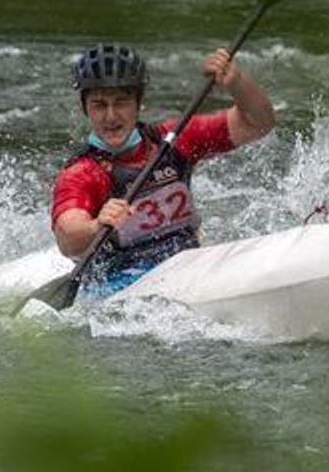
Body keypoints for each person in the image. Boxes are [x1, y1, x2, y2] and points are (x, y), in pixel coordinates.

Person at [50, 42, 277, 288]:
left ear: (138, 103)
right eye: (99, 105)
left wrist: (237, 82)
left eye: (121, 102)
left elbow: (258, 123)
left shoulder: (174, 140)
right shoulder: (82, 172)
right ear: (85, 108)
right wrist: (97, 226)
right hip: (120, 284)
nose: (111, 116)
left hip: (188, 266)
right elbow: (68, 240)